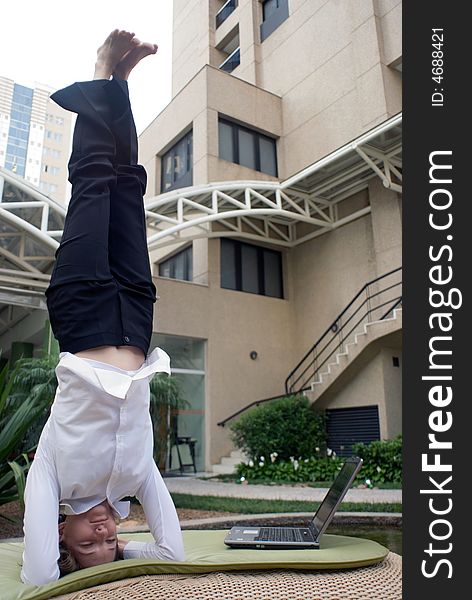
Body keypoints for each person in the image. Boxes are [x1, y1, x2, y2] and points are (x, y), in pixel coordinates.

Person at [20, 30, 185, 586]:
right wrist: (124, 559)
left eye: (87, 544)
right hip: (136, 320)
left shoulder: (51, 476)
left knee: (93, 183)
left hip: (83, 310)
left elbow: (42, 577)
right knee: (128, 190)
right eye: (111, 544)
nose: (103, 535)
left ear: (62, 538)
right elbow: (170, 554)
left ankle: (101, 69)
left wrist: (69, 571)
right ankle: (121, 86)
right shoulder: (138, 478)